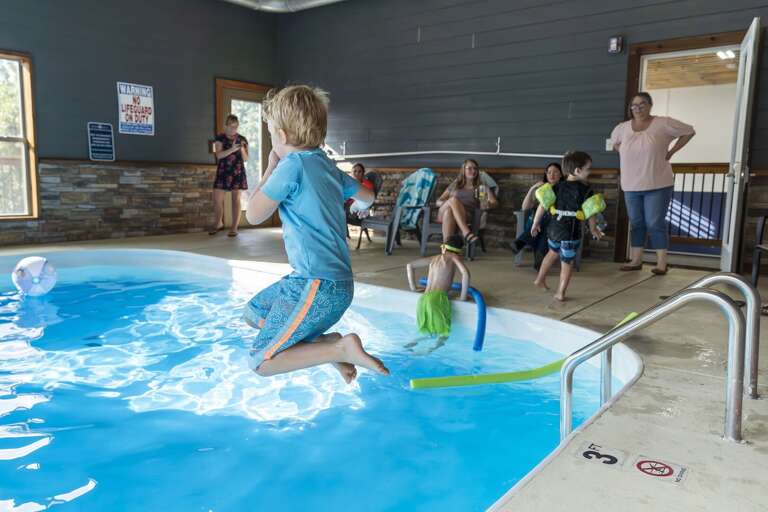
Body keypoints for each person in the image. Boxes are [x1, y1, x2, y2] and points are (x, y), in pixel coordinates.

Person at [243, 85, 389, 382]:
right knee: (254, 312)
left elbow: (253, 214)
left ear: (281, 135)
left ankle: (340, 350)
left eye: (270, 132)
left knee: (260, 362)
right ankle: (327, 345)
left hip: (315, 283)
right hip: (334, 283)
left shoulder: (291, 167)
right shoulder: (326, 165)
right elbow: (367, 198)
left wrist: (271, 166)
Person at [611, 92, 695, 275]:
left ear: (650, 105)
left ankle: (661, 264)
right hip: (631, 185)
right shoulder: (622, 128)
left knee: (655, 223)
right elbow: (614, 144)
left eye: (642, 104)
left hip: (658, 183)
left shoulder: (663, 123)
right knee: (636, 223)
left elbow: (689, 131)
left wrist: (671, 152)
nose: (638, 108)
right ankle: (636, 260)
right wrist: (627, 154)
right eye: (634, 105)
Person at [532, 151, 604, 302]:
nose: (590, 172)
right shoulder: (587, 191)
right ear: (578, 171)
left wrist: (535, 222)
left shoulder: (556, 186)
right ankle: (560, 292)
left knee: (551, 253)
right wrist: (593, 229)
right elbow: (591, 213)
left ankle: (539, 279)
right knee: (567, 263)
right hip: (570, 234)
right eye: (588, 169)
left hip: (554, 230)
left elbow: (542, 206)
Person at [405, 235, 470, 352]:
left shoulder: (434, 258)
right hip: (437, 298)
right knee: (444, 334)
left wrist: (413, 288)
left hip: (423, 299)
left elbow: (410, 266)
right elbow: (465, 274)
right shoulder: (454, 257)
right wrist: (463, 297)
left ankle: (411, 344)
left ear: (444, 248)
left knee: (430, 332)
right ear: (459, 250)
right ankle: (427, 351)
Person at [507, 162, 564, 268]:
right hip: (534, 223)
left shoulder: (564, 189)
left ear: (561, 174)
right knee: (543, 224)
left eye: (555, 172)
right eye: (549, 172)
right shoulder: (541, 189)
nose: (551, 175)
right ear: (546, 174)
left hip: (555, 223)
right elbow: (525, 208)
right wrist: (532, 189)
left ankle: (521, 242)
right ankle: (540, 258)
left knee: (546, 220)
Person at [435, 159, 498, 246]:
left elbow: (494, 202)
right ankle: (466, 232)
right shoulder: (456, 184)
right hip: (443, 210)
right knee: (453, 201)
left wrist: (488, 204)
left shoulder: (480, 187)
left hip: (465, 215)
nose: (473, 171)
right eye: (470, 168)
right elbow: (438, 201)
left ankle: (447, 250)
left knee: (449, 212)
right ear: (463, 170)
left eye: (475, 168)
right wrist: (450, 204)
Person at [210, 114, 249, 237]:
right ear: (225, 126)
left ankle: (234, 228)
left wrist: (242, 149)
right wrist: (232, 149)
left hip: (237, 172)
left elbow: (246, 158)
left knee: (236, 200)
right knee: (217, 200)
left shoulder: (242, 139)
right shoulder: (219, 138)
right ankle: (218, 223)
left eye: (235, 127)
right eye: (231, 127)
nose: (233, 130)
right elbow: (219, 155)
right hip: (223, 171)